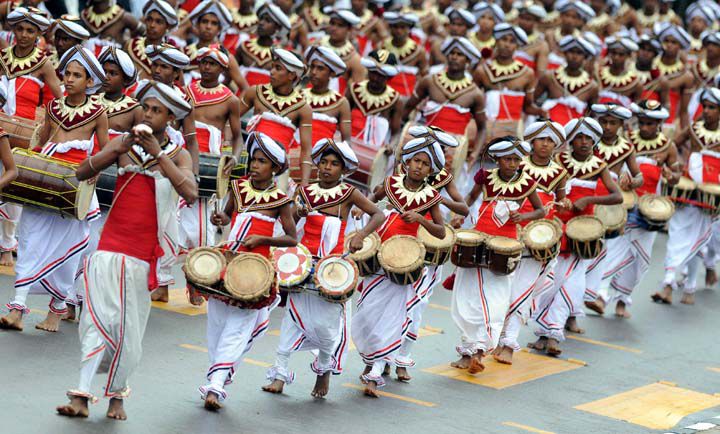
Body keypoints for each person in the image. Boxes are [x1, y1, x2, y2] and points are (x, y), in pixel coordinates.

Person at [56, 81, 196, 421]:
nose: (147, 114)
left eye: (155, 111)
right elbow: (82, 171)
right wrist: (120, 146)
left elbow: (190, 192)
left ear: (171, 120)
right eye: (145, 108)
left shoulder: (179, 155)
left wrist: (158, 155)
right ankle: (81, 395)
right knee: (95, 321)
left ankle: (117, 396)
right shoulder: (125, 146)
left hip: (141, 256)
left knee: (127, 332)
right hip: (109, 247)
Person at [263, 138, 383, 397]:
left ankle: (323, 372)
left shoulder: (349, 193)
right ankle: (280, 374)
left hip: (333, 268)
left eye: (334, 164)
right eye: (324, 163)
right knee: (292, 318)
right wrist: (299, 214)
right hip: (303, 262)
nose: (327, 168)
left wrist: (361, 235)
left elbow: (378, 214)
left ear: (344, 170)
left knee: (327, 327)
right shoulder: (305, 191)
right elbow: (291, 224)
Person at [0, 46, 108, 333]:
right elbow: (40, 145)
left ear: (90, 82)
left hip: (76, 189)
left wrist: (92, 174)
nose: (69, 79)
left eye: (77, 75)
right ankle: (17, 308)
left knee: (67, 252)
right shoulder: (52, 108)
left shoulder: (99, 112)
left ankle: (57, 309)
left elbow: (105, 151)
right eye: (67, 74)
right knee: (31, 241)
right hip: (44, 183)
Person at [201, 132, 297, 411]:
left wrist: (264, 240)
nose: (255, 165)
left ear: (275, 168)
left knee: (239, 327)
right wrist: (220, 218)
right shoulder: (238, 187)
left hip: (255, 271)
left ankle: (216, 385)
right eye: (254, 160)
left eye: (262, 162)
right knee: (217, 325)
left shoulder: (281, 200)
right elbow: (227, 217)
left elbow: (292, 238)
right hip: (230, 261)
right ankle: (216, 375)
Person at [353, 137, 447, 397]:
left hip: (403, 261)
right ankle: (372, 359)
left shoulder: (431, 197)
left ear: (431, 170)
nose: (418, 166)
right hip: (377, 257)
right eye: (415, 160)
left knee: (391, 318)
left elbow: (440, 232)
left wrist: (421, 219)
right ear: (406, 163)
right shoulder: (391, 183)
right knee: (367, 315)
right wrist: (364, 210)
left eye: (425, 164)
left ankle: (375, 373)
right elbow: (373, 197)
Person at [450, 137, 545, 372]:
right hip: (478, 239)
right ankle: (467, 349)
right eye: (507, 159)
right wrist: (461, 214)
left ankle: (480, 351)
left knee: (494, 300)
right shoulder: (485, 177)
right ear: (497, 159)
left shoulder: (527, 182)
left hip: (505, 245)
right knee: (468, 297)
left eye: (516, 159)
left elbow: (540, 210)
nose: (512, 164)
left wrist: (524, 217)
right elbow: (471, 198)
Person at [529, 117, 621, 355]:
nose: (583, 142)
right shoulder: (558, 161)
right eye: (578, 137)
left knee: (570, 284)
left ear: (594, 141)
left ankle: (555, 334)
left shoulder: (599, 165)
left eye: (588, 138)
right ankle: (541, 333)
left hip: (582, 231)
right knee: (549, 281)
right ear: (570, 141)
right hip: (555, 227)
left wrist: (589, 199)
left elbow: (616, 196)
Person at [392, 127, 469, 380]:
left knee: (416, 305)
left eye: (437, 151)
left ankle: (402, 358)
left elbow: (463, 208)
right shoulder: (404, 170)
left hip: (427, 246)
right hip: (398, 243)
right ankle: (381, 356)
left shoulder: (442, 177)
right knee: (392, 304)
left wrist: (441, 201)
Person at [494, 121, 568, 365]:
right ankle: (494, 337)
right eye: (541, 139)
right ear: (531, 142)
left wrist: (564, 204)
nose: (545, 144)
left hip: (539, 240)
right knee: (501, 290)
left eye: (550, 141)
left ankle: (508, 343)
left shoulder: (559, 173)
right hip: (509, 233)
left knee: (523, 293)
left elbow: (560, 200)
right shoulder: (517, 165)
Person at [605, 100, 680, 312]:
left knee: (641, 261)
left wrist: (670, 175)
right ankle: (601, 293)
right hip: (626, 205)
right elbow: (612, 168)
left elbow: (676, 177)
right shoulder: (626, 141)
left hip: (650, 210)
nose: (645, 127)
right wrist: (620, 178)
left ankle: (622, 299)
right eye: (642, 123)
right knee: (615, 250)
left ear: (659, 124)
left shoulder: (668, 146)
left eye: (650, 124)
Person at [658, 88, 720, 305]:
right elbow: (673, 143)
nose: (708, 111)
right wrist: (674, 164)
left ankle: (691, 285)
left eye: (713, 108)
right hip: (688, 187)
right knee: (677, 233)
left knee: (700, 240)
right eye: (706, 107)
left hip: (712, 193)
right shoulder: (694, 128)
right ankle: (667, 282)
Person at [179, 46, 242, 259]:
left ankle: (201, 267)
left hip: (210, 163)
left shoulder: (230, 100)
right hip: (183, 155)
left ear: (223, 68)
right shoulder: (186, 91)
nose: (206, 67)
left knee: (202, 218)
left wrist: (233, 157)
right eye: (204, 62)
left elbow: (238, 136)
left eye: (212, 63)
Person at [583, 104, 643, 318]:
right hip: (587, 197)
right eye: (603, 122)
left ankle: (595, 294)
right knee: (583, 250)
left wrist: (632, 182)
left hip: (611, 202)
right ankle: (575, 305)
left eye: (612, 123)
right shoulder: (587, 142)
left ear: (621, 125)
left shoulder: (626, 148)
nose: (607, 127)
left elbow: (639, 176)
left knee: (605, 250)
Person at [403, 37, 484, 194]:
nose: (454, 57)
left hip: (452, 153)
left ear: (468, 60)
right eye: (452, 53)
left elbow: (482, 128)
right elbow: (407, 110)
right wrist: (404, 137)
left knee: (441, 199)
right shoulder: (429, 81)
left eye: (459, 54)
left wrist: (474, 154)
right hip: (423, 149)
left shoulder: (475, 94)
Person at [239, 48, 313, 186]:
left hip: (278, 172)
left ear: (291, 75)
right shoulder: (255, 92)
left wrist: (304, 184)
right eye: (272, 67)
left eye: (278, 68)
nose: (271, 72)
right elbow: (229, 121)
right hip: (247, 165)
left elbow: (306, 149)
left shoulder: (303, 109)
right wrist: (228, 152)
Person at [474, 23, 544, 141]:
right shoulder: (482, 71)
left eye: (512, 41)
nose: (507, 45)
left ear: (517, 46)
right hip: (486, 129)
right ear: (496, 41)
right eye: (503, 39)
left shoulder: (527, 73)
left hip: (512, 132)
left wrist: (542, 112)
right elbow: (473, 102)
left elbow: (527, 106)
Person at [1, 7, 61, 120]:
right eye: (20, 29)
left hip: (25, 130)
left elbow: (60, 99)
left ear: (38, 34)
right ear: (13, 30)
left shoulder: (44, 63)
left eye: (30, 31)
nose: (24, 35)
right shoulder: (2, 57)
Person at [347, 49, 402, 158]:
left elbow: (396, 133)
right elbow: (340, 119)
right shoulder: (354, 89)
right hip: (348, 147)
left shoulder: (395, 100)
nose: (375, 78)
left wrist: (391, 145)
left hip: (374, 154)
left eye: (381, 75)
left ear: (389, 77)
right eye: (373, 73)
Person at [184, 0, 248, 92]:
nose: (208, 26)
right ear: (197, 24)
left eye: (214, 23)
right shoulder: (184, 52)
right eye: (204, 21)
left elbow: (245, 88)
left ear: (219, 29)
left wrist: (236, 106)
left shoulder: (226, 57)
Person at [535, 34, 599, 127]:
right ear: (564, 53)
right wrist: (541, 113)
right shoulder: (549, 77)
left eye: (579, 53)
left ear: (585, 57)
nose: (574, 56)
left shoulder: (592, 87)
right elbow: (532, 103)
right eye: (571, 51)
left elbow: (592, 116)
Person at [303, 46, 352, 145]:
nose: (313, 72)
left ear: (332, 74)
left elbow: (346, 141)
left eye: (320, 68)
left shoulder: (341, 103)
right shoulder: (298, 96)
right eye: (312, 66)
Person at [236, 2, 291, 88]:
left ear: (277, 28)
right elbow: (229, 76)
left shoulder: (281, 56)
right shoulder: (244, 47)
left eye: (267, 21)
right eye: (261, 19)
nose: (261, 23)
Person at [654, 24, 693, 133]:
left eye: (674, 42)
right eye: (666, 41)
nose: (669, 45)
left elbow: (684, 111)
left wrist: (684, 133)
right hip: (646, 118)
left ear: (680, 47)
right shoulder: (651, 65)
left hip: (669, 123)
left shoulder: (686, 75)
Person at [124, 0, 178, 80]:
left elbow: (179, 85)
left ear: (167, 26)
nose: (152, 25)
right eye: (149, 20)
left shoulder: (173, 53)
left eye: (158, 22)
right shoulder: (131, 45)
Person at [316, 7, 364, 95]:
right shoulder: (316, 45)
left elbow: (357, 91)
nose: (334, 28)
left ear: (349, 29)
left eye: (340, 25)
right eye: (332, 23)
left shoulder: (355, 60)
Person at [380, 11, 427, 98]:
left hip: (409, 95)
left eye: (402, 27)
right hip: (385, 94)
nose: (398, 31)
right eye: (395, 27)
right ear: (390, 28)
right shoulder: (381, 47)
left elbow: (424, 75)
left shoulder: (419, 51)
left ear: (409, 29)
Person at [544, 0, 595, 71]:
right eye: (567, 15)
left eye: (574, 17)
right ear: (561, 16)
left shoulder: (582, 39)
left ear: (579, 21)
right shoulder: (550, 35)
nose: (569, 20)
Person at [596, 36, 642, 108]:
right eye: (613, 53)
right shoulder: (597, 74)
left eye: (621, 54)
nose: (616, 57)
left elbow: (636, 111)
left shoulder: (635, 83)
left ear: (628, 56)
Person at [513, 1, 549, 73]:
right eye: (521, 18)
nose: (523, 22)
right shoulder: (509, 37)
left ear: (536, 22)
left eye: (528, 19)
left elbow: (540, 73)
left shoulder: (541, 45)